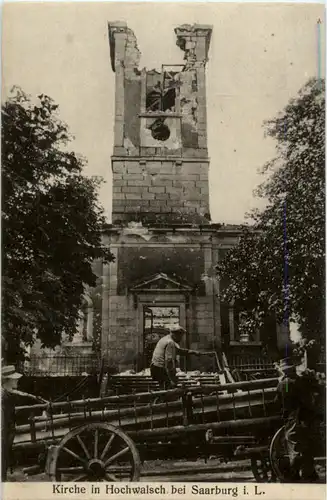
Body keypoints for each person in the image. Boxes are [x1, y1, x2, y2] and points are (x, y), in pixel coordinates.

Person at [275, 356, 322, 482]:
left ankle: (293, 474)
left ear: (284, 371)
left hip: (293, 417)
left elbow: (281, 399)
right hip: (305, 417)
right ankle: (309, 473)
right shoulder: (300, 381)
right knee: (306, 445)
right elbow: (308, 399)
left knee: (294, 445)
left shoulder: (284, 384)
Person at [150, 325, 211, 389]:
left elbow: (178, 351)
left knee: (164, 388)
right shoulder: (170, 343)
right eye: (180, 336)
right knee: (169, 390)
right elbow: (169, 362)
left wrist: (192, 352)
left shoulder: (166, 338)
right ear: (175, 334)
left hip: (155, 368)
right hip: (161, 370)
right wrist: (172, 379)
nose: (181, 339)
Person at [1, 365, 22, 480]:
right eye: (15, 378)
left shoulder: (7, 394)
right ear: (7, 380)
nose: (17, 380)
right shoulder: (3, 397)